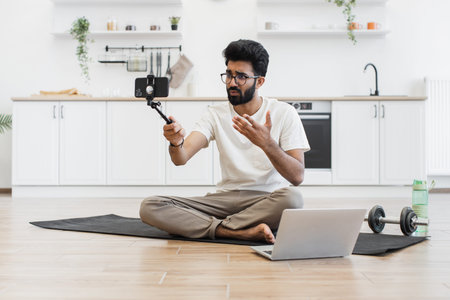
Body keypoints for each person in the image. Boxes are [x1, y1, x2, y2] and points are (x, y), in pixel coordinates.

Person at [140, 39, 310, 243]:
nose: (232, 82)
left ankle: (211, 225)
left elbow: (297, 176)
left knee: (293, 199)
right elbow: (181, 158)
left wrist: (267, 143)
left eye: (241, 77)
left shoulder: (285, 113)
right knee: (151, 206)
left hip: (267, 200)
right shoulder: (215, 113)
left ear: (260, 81)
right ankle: (236, 231)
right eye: (229, 74)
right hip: (223, 200)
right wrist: (176, 142)